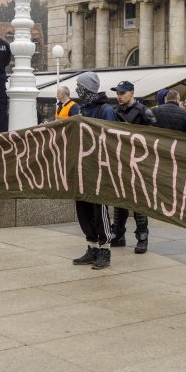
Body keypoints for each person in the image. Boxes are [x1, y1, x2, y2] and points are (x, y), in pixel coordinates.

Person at [71, 72, 116, 270]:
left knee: (100, 211)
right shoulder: (81, 110)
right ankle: (92, 246)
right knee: (83, 208)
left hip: (99, 169)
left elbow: (112, 139)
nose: (77, 89)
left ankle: (105, 250)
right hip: (82, 168)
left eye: (79, 86)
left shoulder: (105, 110)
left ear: (88, 88)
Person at [110, 81, 156, 254]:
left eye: (122, 93)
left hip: (139, 162)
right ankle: (118, 234)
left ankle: (142, 238)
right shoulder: (116, 111)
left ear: (131, 92)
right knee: (120, 200)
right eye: (118, 93)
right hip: (121, 161)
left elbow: (156, 137)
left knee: (138, 202)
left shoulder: (144, 111)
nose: (119, 96)